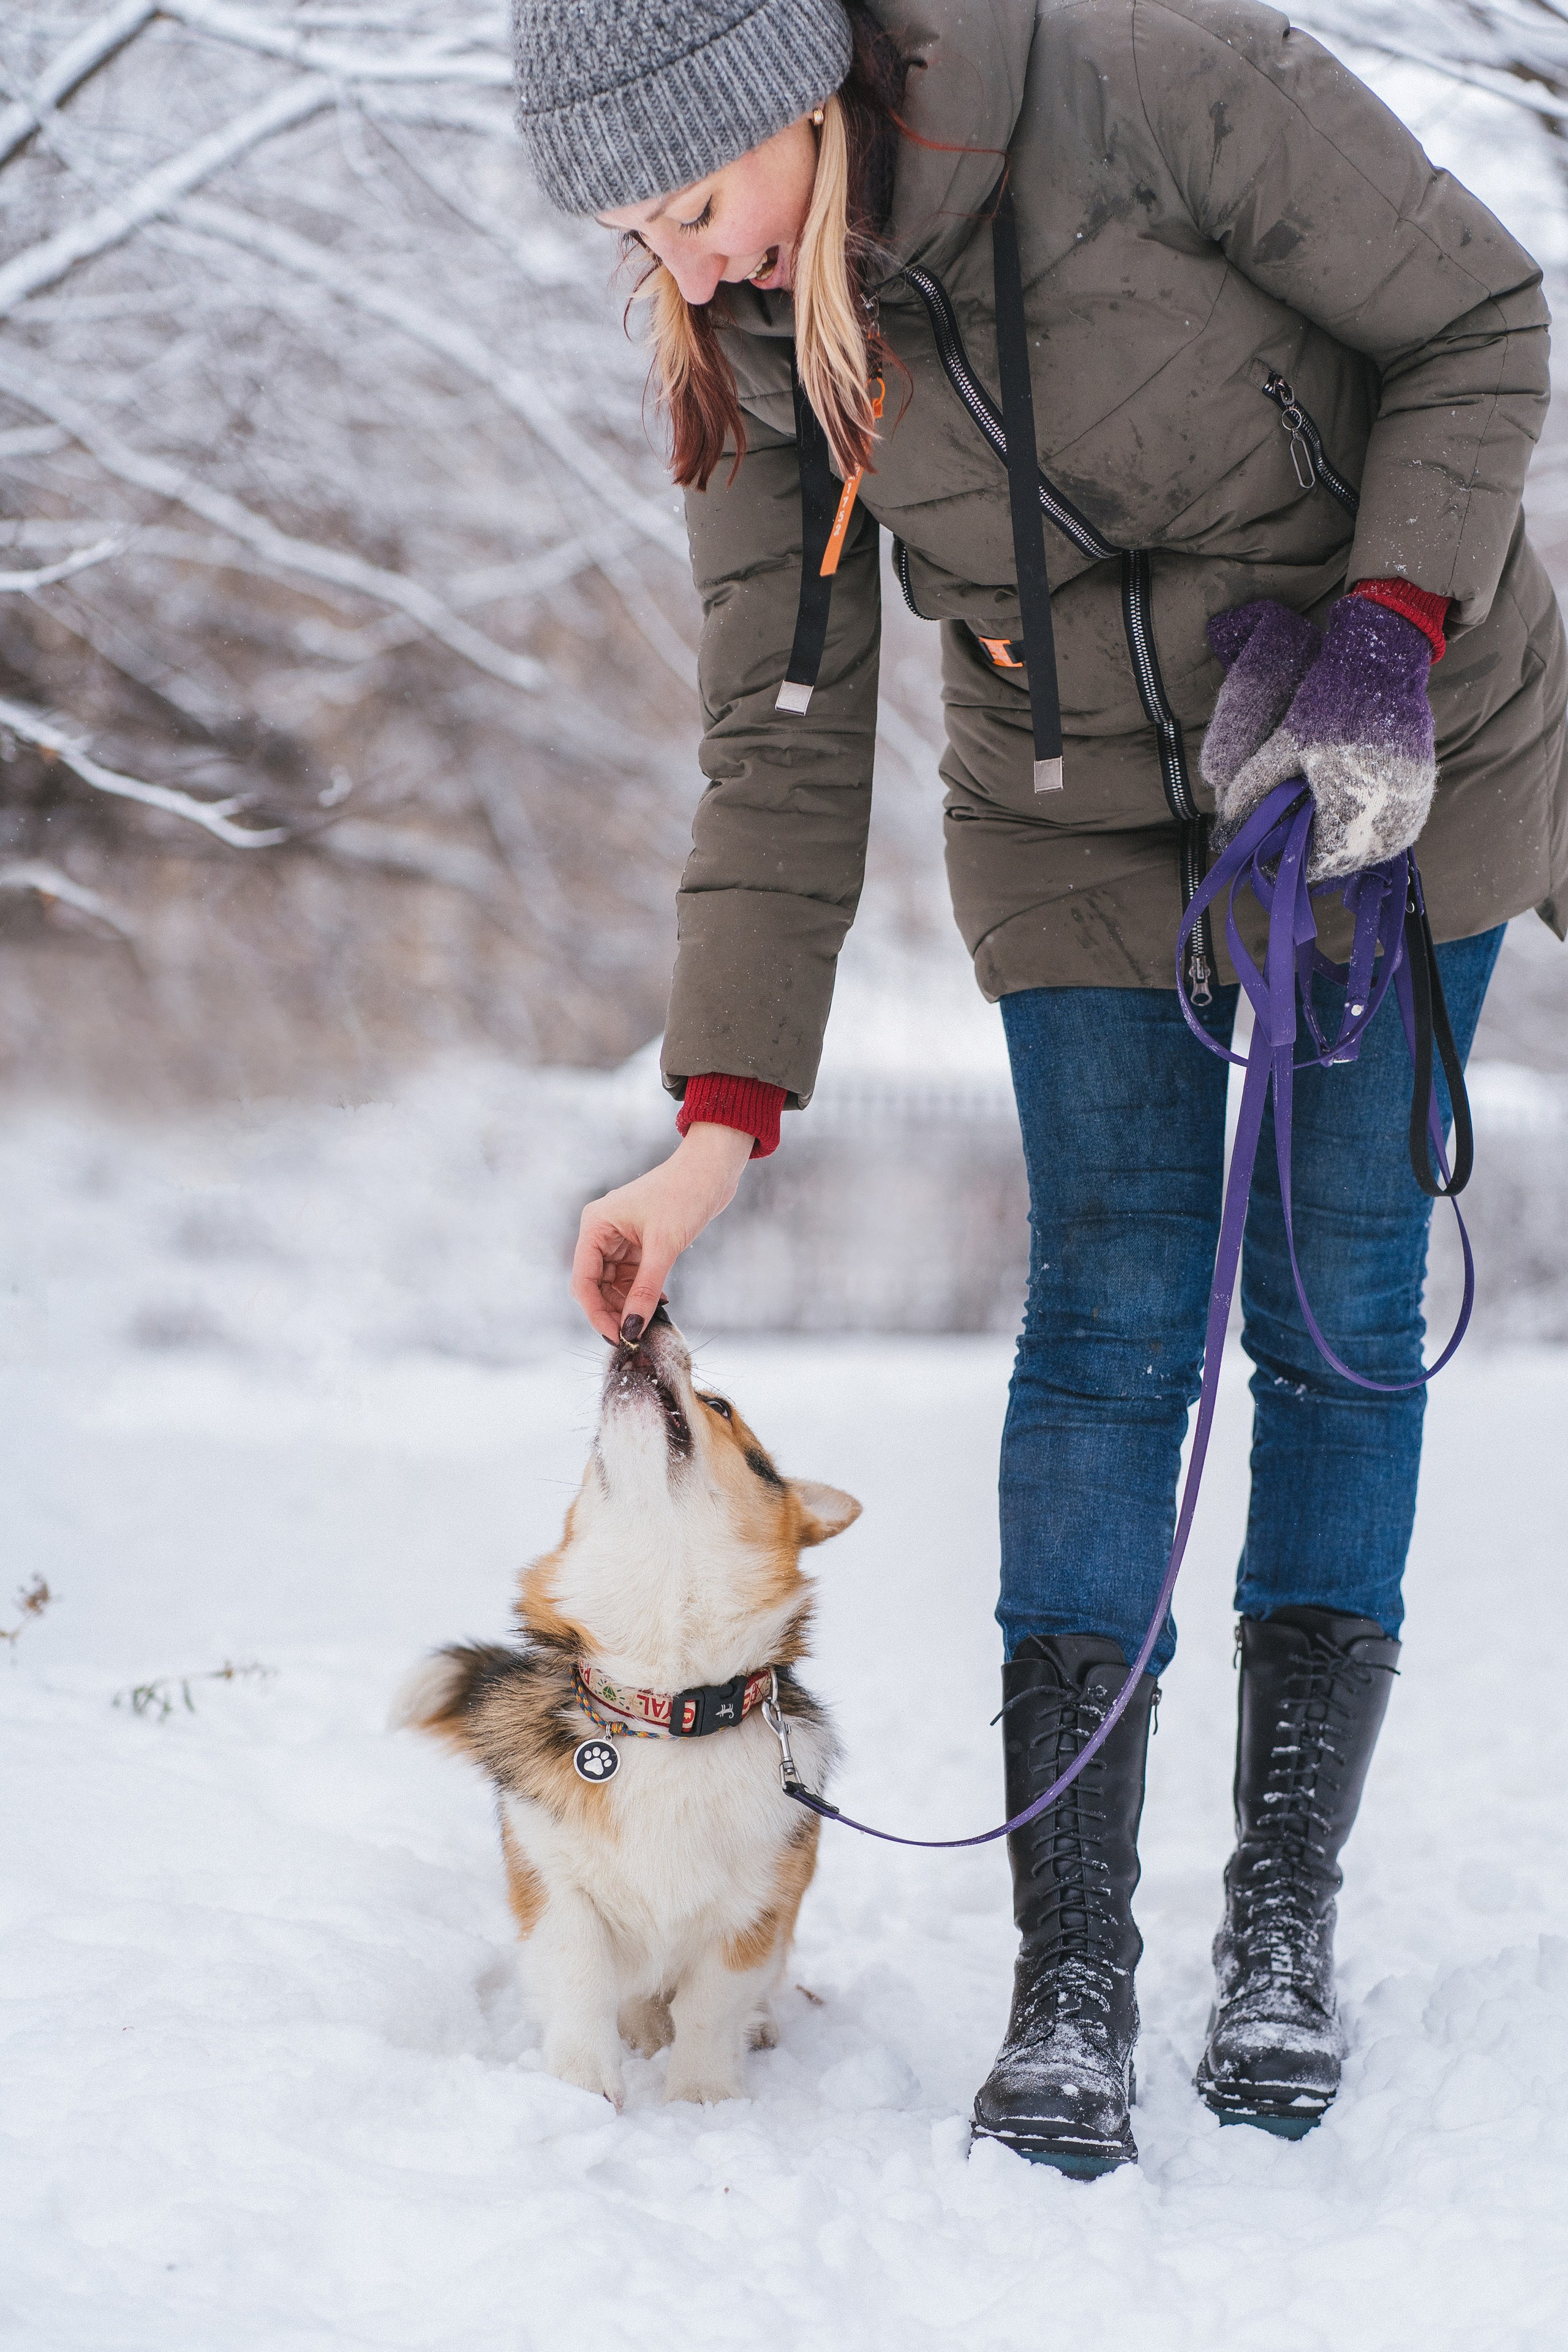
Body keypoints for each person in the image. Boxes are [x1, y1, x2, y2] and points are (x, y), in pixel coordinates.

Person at [511, 0, 1567, 2173]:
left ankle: (1282, 1916)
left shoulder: (1147, 79)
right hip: (1076, 807)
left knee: (1340, 1300)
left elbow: (1476, 312)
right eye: (638, 240)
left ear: (797, 91)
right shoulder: (753, 330)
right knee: (1106, 1318)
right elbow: (784, 730)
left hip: (1390, 739)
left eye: (698, 206)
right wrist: (718, 1124)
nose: (684, 268)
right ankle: (1069, 1971)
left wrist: (1387, 613)